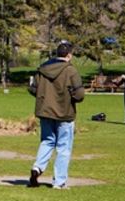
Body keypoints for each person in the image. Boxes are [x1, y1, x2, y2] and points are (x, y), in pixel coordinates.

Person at [27, 41, 85, 189]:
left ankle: (37, 168)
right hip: (65, 113)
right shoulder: (71, 70)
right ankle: (59, 182)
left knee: (47, 141)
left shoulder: (43, 69)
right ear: (69, 55)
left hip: (45, 112)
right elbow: (79, 95)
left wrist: (45, 98)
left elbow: (33, 89)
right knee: (63, 147)